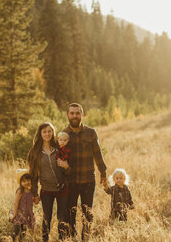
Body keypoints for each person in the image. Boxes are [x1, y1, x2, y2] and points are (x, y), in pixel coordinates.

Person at [62, 103, 107, 240]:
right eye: (72, 113)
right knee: (70, 213)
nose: (75, 116)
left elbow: (98, 154)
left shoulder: (91, 132)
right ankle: (72, 237)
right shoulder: (63, 134)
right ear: (67, 115)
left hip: (88, 180)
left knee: (87, 213)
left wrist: (103, 173)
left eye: (77, 113)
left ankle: (86, 238)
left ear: (82, 115)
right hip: (70, 181)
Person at [27, 122, 71, 242]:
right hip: (47, 190)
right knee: (47, 218)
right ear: (40, 134)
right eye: (44, 131)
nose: (47, 134)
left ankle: (63, 239)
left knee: (62, 217)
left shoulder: (59, 148)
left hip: (62, 188)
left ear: (53, 132)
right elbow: (33, 176)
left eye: (49, 131)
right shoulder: (35, 152)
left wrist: (67, 167)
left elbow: (68, 171)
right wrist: (35, 193)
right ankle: (45, 239)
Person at [9, 169, 35, 241]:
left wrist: (37, 198)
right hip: (19, 214)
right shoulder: (20, 191)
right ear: (20, 182)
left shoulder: (31, 190)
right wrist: (14, 215)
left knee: (23, 233)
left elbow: (33, 201)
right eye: (24, 181)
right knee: (16, 231)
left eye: (28, 180)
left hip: (26, 215)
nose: (26, 182)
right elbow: (15, 203)